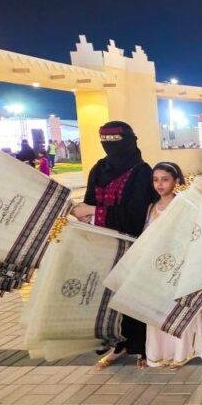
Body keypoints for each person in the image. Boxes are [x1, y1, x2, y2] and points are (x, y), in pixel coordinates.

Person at [69, 121, 157, 369]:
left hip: (132, 245)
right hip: (103, 244)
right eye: (105, 142)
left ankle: (142, 346)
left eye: (115, 141)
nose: (109, 147)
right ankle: (119, 343)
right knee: (109, 296)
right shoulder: (99, 168)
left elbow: (135, 216)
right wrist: (82, 213)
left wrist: (93, 211)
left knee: (135, 296)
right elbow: (89, 202)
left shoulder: (142, 172)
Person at [142, 163, 202, 368]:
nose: (159, 184)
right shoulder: (151, 208)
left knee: (179, 311)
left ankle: (182, 353)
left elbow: (193, 235)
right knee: (158, 313)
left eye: (165, 179)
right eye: (155, 180)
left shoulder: (186, 205)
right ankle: (159, 354)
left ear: (176, 181)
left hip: (180, 268)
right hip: (157, 269)